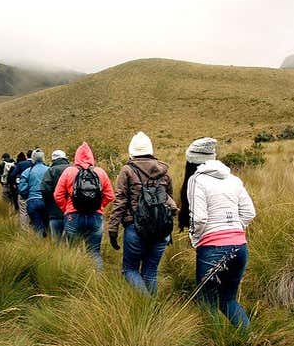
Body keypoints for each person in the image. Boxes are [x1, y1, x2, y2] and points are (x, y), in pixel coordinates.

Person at [181, 137, 256, 329]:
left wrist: (196, 239)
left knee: (207, 302)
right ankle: (250, 341)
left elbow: (199, 218)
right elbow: (249, 212)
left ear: (193, 159)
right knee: (228, 299)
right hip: (240, 247)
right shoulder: (234, 179)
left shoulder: (197, 180)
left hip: (212, 248)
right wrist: (232, 227)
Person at [108, 132, 177, 295]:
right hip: (161, 229)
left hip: (135, 228)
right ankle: (152, 312)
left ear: (132, 151)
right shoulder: (164, 171)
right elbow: (169, 201)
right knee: (150, 272)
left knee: (130, 270)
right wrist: (168, 230)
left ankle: (147, 306)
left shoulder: (127, 170)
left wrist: (113, 229)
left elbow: (120, 201)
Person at [54, 142, 114, 270]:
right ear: (92, 157)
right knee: (94, 252)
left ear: (76, 157)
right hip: (95, 217)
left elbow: (57, 195)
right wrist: (99, 206)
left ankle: (72, 280)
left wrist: (67, 209)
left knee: (72, 251)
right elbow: (110, 196)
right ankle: (97, 282)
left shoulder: (69, 172)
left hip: (73, 216)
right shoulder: (100, 172)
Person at [40, 150, 70, 241]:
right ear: (65, 158)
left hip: (54, 213)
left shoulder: (50, 171)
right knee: (71, 242)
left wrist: (48, 206)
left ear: (53, 160)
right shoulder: (73, 169)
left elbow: (44, 190)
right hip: (72, 212)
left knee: (56, 242)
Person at [18, 149, 49, 236]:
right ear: (43, 158)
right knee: (47, 225)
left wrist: (27, 195)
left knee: (38, 227)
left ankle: (39, 244)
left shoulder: (27, 171)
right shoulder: (49, 170)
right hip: (46, 201)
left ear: (33, 159)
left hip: (32, 201)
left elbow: (22, 190)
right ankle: (49, 243)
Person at [10, 150, 33, 228]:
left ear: (27, 156)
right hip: (34, 190)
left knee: (23, 210)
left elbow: (13, 175)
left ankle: (24, 228)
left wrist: (14, 184)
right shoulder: (36, 164)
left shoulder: (21, 164)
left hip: (22, 189)